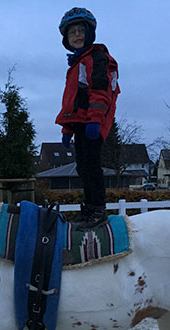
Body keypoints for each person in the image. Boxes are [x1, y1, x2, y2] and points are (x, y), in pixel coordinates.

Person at [56, 7, 120, 230]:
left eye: (81, 30)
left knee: (92, 166)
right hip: (81, 122)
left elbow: (100, 91)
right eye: (72, 32)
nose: (76, 35)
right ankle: (89, 208)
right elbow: (71, 102)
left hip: (93, 121)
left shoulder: (96, 58)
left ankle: (98, 210)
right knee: (83, 166)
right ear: (66, 38)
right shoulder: (76, 63)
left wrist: (94, 120)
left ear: (90, 33)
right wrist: (66, 129)